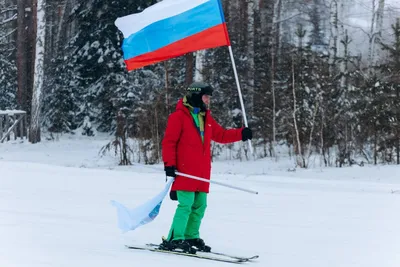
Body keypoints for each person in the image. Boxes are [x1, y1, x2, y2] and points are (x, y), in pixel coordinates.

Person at [159, 81, 253, 254]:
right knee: (185, 205)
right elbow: (169, 142)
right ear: (196, 96)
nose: (208, 100)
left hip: (202, 172)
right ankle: (174, 238)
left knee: (200, 205)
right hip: (184, 170)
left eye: (208, 97)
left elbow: (221, 135)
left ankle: (190, 236)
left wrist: (241, 133)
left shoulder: (205, 117)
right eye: (206, 96)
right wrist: (169, 165)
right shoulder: (178, 117)